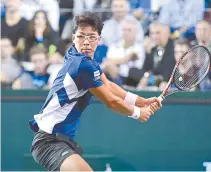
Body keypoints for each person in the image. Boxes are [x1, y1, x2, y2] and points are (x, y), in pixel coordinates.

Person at [29, 12, 162, 171]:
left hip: (59, 141)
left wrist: (141, 101)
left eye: (92, 37)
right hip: (49, 143)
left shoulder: (80, 57)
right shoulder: (82, 65)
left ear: (99, 39)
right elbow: (111, 101)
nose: (86, 42)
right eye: (81, 36)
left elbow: (109, 85)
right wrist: (137, 113)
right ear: (73, 38)